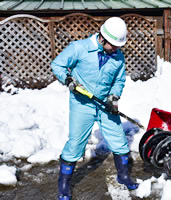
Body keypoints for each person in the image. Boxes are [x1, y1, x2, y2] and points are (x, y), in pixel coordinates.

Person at [51, 17, 138, 200]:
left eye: (118, 46)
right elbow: (57, 65)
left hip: (105, 105)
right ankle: (64, 184)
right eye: (113, 45)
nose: (116, 49)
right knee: (75, 145)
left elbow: (119, 80)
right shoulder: (79, 48)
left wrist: (114, 98)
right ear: (103, 37)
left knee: (120, 142)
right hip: (82, 105)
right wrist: (68, 80)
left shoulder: (118, 56)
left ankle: (123, 176)